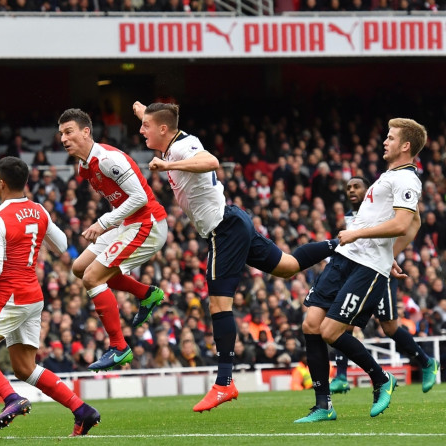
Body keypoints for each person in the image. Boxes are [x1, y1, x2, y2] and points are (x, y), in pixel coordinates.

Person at [133, 101, 339, 412]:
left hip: (223, 229)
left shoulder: (182, 149)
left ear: (163, 129)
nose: (140, 130)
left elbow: (211, 161)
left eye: (146, 126)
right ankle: (342, 244)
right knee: (288, 266)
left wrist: (168, 166)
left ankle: (224, 382)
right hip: (233, 221)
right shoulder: (173, 137)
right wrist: (143, 110)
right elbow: (160, 122)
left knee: (218, 304)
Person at [0, 156, 100, 436]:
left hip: (9, 296)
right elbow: (62, 245)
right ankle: (81, 410)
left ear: (1, 183)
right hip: (33, 296)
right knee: (24, 367)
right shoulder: (39, 211)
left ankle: (11, 398)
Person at [295, 118, 426, 423]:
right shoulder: (388, 176)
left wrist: (357, 235)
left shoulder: (408, 180)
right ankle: (323, 405)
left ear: (405, 146)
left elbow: (404, 224)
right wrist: (392, 253)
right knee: (311, 324)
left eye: (391, 138)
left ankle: (381, 378)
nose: (385, 141)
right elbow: (414, 224)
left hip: (367, 267)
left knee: (330, 331)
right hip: (345, 257)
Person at [58, 108, 167, 372]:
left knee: (92, 278)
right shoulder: (85, 167)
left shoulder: (107, 159)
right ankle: (147, 294)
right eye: (61, 133)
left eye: (69, 132)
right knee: (79, 268)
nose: (63, 138)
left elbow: (140, 197)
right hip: (127, 224)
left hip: (147, 224)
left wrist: (103, 223)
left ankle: (119, 347)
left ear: (86, 132)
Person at [329, 176, 440, 394]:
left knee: (389, 327)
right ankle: (341, 375)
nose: (352, 190)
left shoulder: (379, 210)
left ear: (368, 190)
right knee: (342, 320)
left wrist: (390, 258)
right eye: (348, 187)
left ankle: (426, 362)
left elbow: (401, 229)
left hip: (380, 272)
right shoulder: (351, 217)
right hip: (359, 273)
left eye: (356, 186)